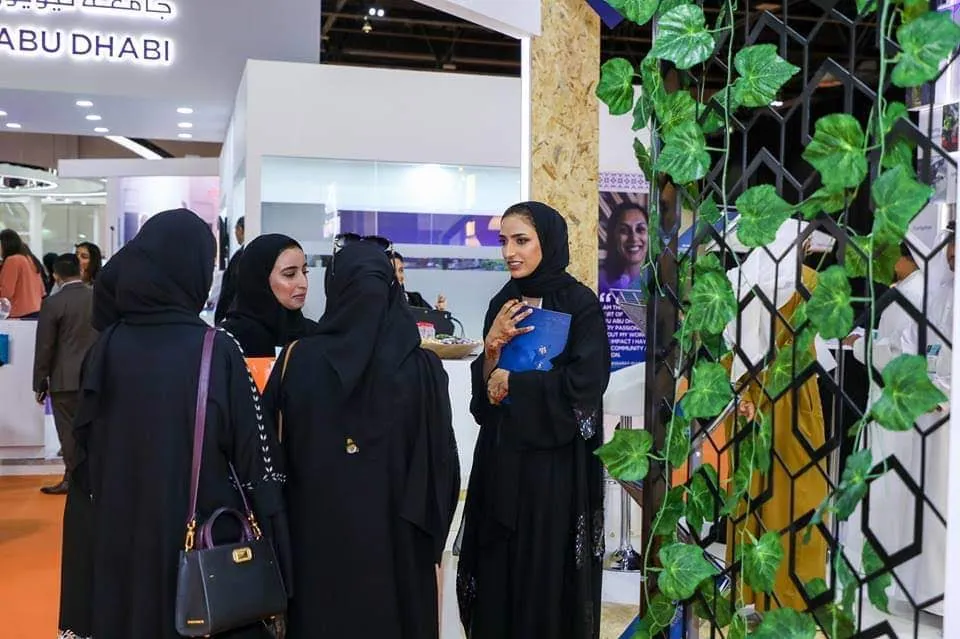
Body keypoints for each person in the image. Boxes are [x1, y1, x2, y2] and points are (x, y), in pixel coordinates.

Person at [59, 208, 290, 639]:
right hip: (201, 544)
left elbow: (85, 457)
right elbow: (254, 460)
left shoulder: (105, 348)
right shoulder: (215, 350)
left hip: (120, 544)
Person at [263, 237, 460, 639]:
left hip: (314, 545)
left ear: (335, 288)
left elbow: (270, 452)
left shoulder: (298, 361)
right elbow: (443, 468)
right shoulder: (423, 369)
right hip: (398, 552)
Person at [456, 201, 611, 639]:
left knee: (545, 571)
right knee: (499, 571)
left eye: (521, 240)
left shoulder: (580, 306)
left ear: (549, 242)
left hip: (553, 471)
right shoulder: (503, 303)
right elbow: (485, 398)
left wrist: (516, 384)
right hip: (502, 462)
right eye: (504, 241)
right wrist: (491, 350)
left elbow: (586, 384)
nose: (510, 252)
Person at [721, 218, 830, 611]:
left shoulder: (737, 280)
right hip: (793, 399)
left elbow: (730, 348)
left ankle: (748, 593)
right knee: (799, 495)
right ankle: (791, 597)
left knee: (752, 491)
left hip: (747, 397)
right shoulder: (808, 282)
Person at [32, 253, 97, 496]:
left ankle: (74, 480)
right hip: (95, 376)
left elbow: (45, 346)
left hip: (64, 380)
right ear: (80, 271)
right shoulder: (97, 298)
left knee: (68, 433)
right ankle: (93, 480)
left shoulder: (53, 303)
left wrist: (40, 382)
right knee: (94, 430)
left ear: (56, 275)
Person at [220, 234, 318, 358]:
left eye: (304, 272)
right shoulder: (227, 340)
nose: (303, 283)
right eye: (290, 274)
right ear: (260, 279)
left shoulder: (316, 335)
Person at [599, 201, 648, 292]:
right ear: (613, 236)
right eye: (624, 230)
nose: (634, 238)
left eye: (640, 229)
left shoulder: (660, 282)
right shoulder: (599, 281)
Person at [0, 229, 45, 318]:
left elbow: (6, 292)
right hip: (36, 310)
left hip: (18, 313)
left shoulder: (12, 260)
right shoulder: (30, 259)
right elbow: (42, 290)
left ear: (5, 244)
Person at [215, 216, 245, 323]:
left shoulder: (240, 256)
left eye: (235, 230)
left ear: (240, 229)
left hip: (235, 314)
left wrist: (219, 317)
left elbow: (229, 289)